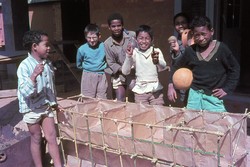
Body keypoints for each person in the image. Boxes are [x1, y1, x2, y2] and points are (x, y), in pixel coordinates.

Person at [168, 16, 240, 112]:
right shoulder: (190, 51)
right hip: (194, 96)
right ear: (193, 35)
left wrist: (227, 89)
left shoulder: (221, 49)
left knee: (215, 124)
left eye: (204, 34)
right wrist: (170, 85)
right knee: (192, 124)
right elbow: (176, 66)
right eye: (197, 35)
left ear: (212, 31)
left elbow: (235, 68)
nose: (201, 38)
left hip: (214, 97)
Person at [17, 30, 62, 167]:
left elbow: (50, 87)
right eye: (46, 45)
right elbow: (25, 91)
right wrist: (34, 76)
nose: (49, 47)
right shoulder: (24, 66)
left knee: (52, 137)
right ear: (35, 46)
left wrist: (54, 103)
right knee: (36, 138)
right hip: (31, 108)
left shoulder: (47, 63)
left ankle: (59, 165)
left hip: (46, 106)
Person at [122, 25, 167, 105]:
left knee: (158, 114)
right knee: (142, 116)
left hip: (155, 91)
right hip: (140, 92)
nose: (143, 41)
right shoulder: (134, 53)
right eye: (141, 38)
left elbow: (162, 67)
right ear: (136, 39)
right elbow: (125, 71)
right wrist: (128, 56)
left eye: (147, 38)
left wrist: (157, 62)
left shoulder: (156, 51)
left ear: (151, 40)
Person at [104, 12, 136, 102]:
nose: (116, 28)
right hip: (118, 74)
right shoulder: (107, 43)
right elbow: (111, 62)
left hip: (133, 73)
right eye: (113, 26)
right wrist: (123, 70)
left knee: (135, 97)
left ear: (122, 25)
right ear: (109, 27)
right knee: (119, 99)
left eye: (119, 25)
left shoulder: (132, 36)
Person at [76, 23, 108, 99]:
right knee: (88, 99)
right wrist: (88, 68)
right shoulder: (82, 49)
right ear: (85, 37)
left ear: (99, 36)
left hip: (102, 74)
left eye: (94, 37)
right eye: (89, 38)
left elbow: (108, 59)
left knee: (102, 97)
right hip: (88, 75)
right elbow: (78, 64)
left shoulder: (104, 46)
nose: (92, 40)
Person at [167, 12, 191, 106]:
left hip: (196, 83)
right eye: (177, 23)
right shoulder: (174, 43)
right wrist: (170, 84)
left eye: (183, 22)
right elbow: (174, 65)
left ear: (188, 23)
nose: (180, 26)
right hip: (183, 82)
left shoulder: (196, 40)